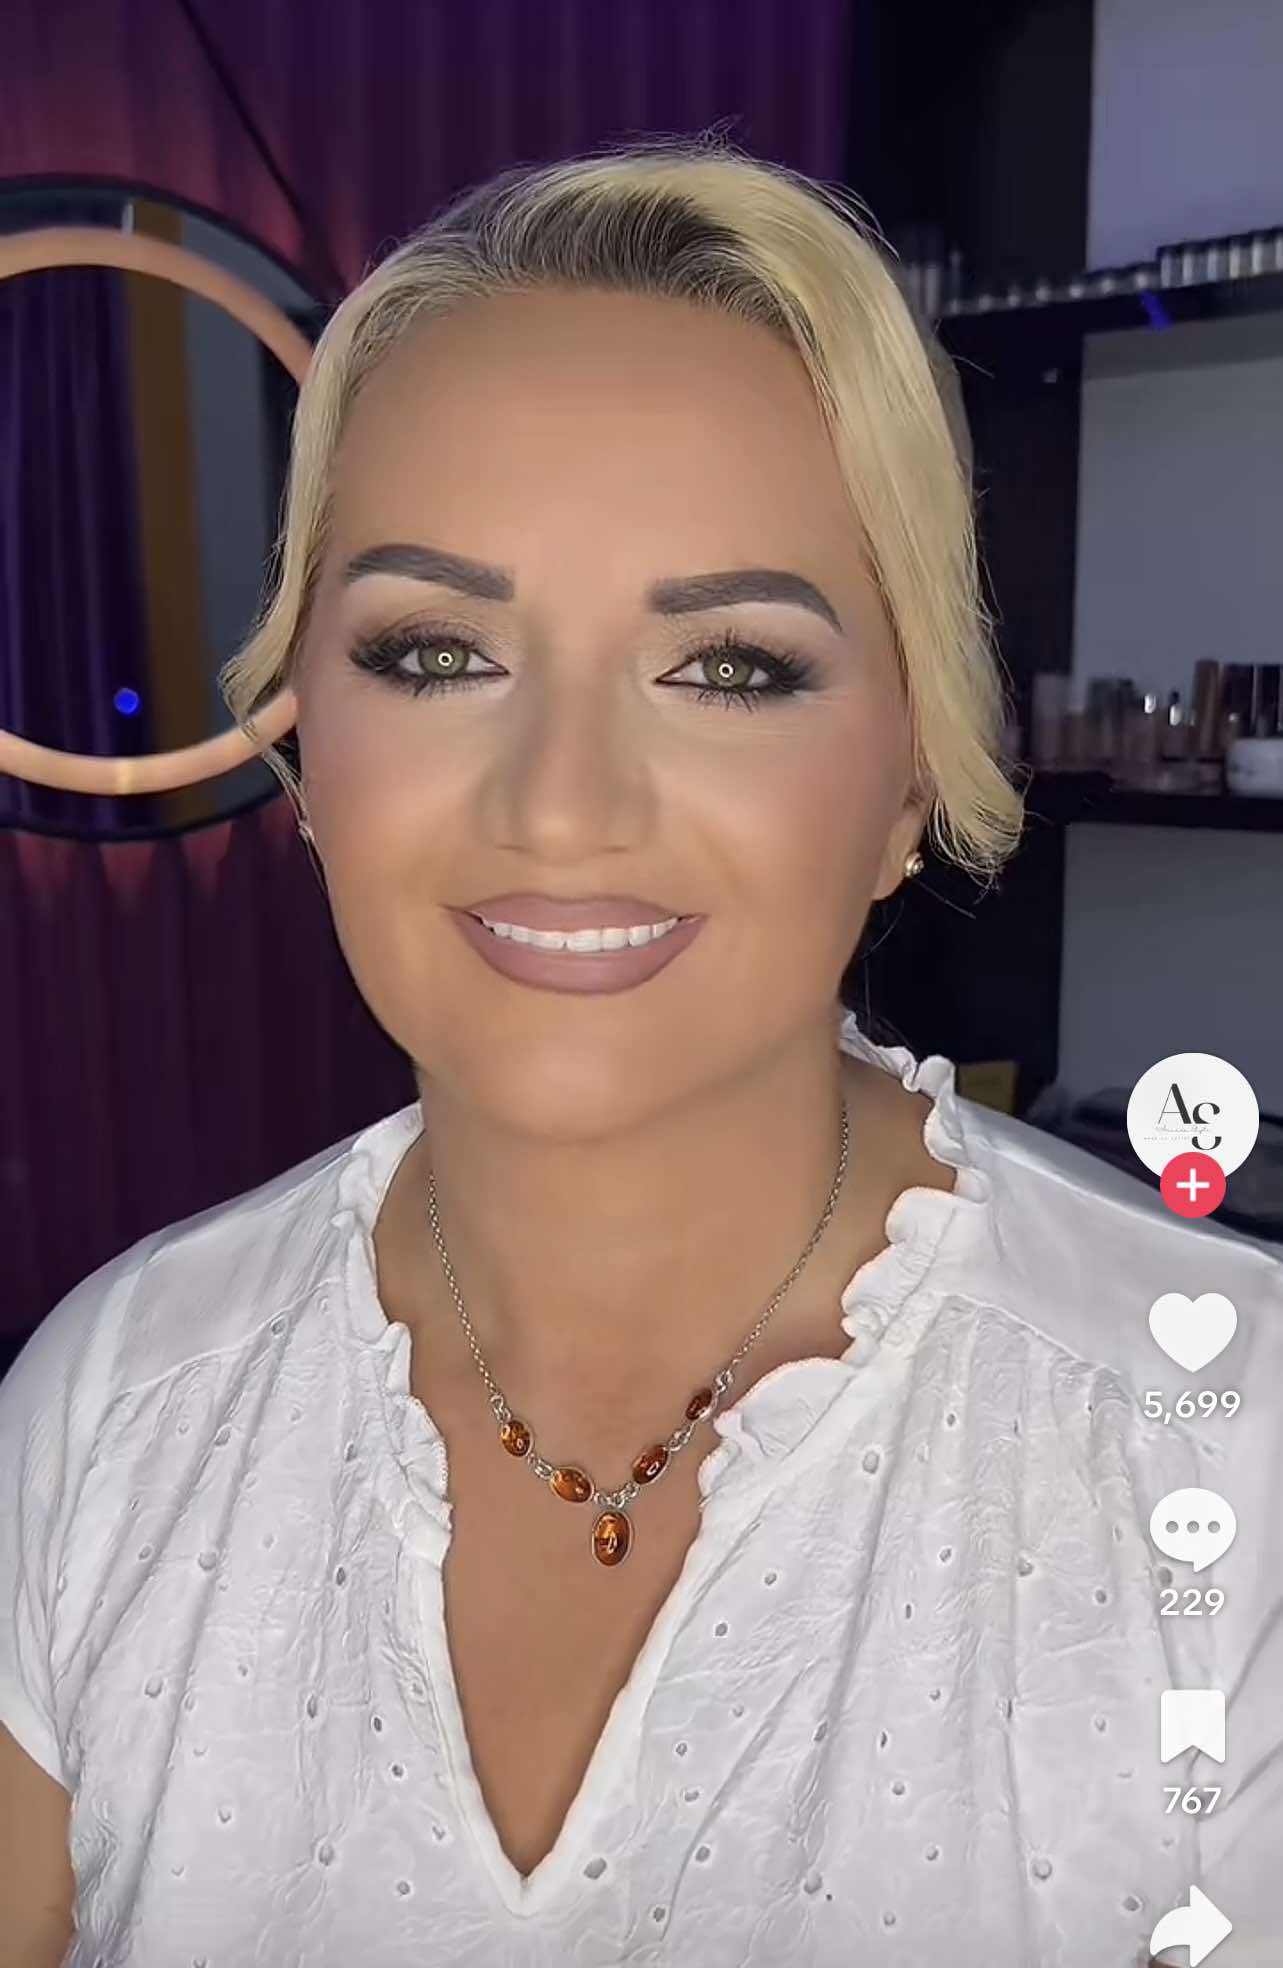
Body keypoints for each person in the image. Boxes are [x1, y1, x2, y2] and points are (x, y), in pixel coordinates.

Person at [2, 139, 1280, 1968]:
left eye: (730, 667)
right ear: (303, 751)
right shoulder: (112, 1408)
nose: (562, 804)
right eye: (436, 655)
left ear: (909, 778)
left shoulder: (1229, 1455)